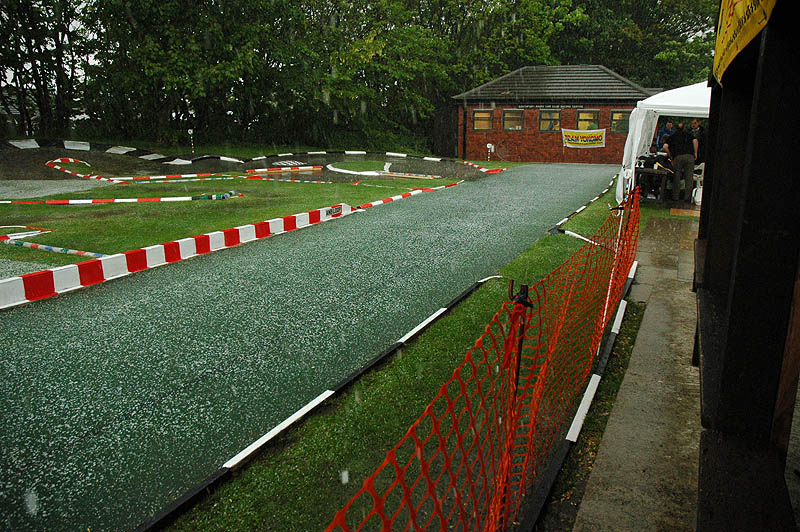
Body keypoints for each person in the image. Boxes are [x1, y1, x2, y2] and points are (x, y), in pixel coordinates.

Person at [662, 122, 698, 202]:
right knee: (689, 177)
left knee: (676, 177)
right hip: (689, 156)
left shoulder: (672, 137)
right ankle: (687, 198)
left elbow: (665, 147)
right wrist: (695, 153)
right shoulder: (689, 135)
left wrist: (670, 154)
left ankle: (675, 197)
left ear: (675, 129)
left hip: (678, 157)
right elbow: (695, 141)